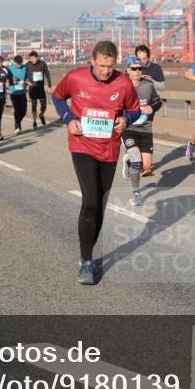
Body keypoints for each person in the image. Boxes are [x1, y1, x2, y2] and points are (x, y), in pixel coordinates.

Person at [52, 41, 140, 285]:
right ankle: (86, 260)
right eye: (102, 66)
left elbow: (134, 110)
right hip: (82, 145)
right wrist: (69, 118)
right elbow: (57, 96)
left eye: (111, 67)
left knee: (100, 204)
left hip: (109, 149)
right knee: (90, 200)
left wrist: (126, 120)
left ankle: (88, 250)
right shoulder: (76, 78)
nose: (106, 71)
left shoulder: (122, 83)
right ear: (92, 61)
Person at [121, 56, 161, 204]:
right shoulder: (122, 85)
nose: (137, 71)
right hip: (129, 128)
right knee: (138, 161)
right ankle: (136, 193)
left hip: (146, 128)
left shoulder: (148, 85)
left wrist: (152, 107)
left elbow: (157, 101)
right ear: (128, 70)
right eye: (134, 69)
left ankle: (129, 164)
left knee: (145, 166)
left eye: (140, 69)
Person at [26, 50, 52, 127]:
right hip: (32, 88)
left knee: (44, 105)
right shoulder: (28, 64)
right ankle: (34, 121)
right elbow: (23, 75)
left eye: (33, 58)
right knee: (34, 105)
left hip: (41, 88)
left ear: (37, 57)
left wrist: (49, 86)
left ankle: (41, 114)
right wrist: (26, 82)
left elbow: (47, 75)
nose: (32, 60)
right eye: (30, 58)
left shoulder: (42, 64)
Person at [8, 55, 29, 134]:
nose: (20, 64)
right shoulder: (11, 68)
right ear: (14, 62)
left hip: (22, 92)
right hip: (14, 92)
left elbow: (27, 77)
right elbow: (8, 79)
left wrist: (27, 81)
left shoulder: (25, 68)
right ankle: (17, 126)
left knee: (24, 110)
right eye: (18, 63)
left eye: (21, 63)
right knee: (17, 110)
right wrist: (13, 80)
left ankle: (18, 122)